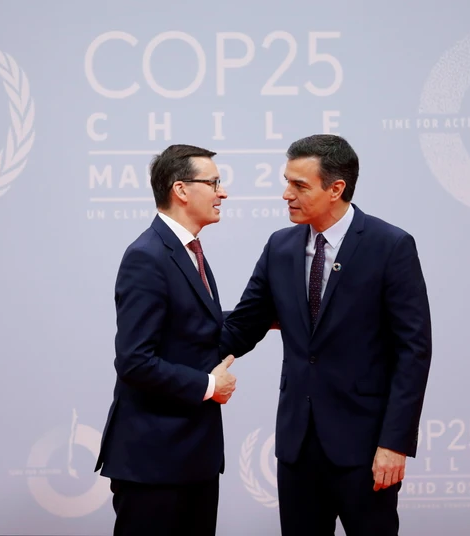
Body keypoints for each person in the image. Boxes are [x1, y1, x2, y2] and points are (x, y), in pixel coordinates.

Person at [220, 134, 432, 535]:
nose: (286, 194)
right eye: (287, 182)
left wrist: (394, 443)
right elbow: (242, 326)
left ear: (336, 188)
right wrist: (176, 335)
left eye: (299, 185)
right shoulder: (280, 247)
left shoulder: (390, 246)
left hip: (366, 447)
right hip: (297, 447)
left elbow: (413, 351)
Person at [95, 144, 236, 536]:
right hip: (154, 465)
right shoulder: (147, 256)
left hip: (193, 459)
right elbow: (135, 361)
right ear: (181, 190)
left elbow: (194, 324)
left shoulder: (187, 250)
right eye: (214, 183)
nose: (223, 193)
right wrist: (209, 385)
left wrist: (269, 316)